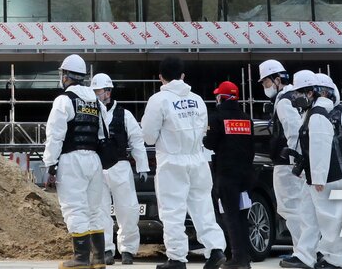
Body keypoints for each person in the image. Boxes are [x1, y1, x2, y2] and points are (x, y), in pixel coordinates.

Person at [141, 56, 226, 269]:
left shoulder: (158, 100)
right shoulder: (197, 100)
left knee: (172, 211)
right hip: (198, 159)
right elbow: (203, 130)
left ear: (160, 77)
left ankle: (177, 258)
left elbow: (148, 137)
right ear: (183, 76)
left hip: (172, 162)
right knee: (203, 207)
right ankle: (216, 249)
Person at [45, 54, 109, 269]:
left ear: (65, 76)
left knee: (74, 208)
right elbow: (103, 134)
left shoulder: (64, 100)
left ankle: (81, 258)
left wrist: (50, 165)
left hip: (71, 160)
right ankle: (98, 258)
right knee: (94, 209)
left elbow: (55, 136)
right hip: (94, 160)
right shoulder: (96, 102)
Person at [297, 72, 342, 269]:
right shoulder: (312, 113)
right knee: (313, 216)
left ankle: (337, 255)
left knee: (335, 216)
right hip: (321, 174)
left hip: (337, 173)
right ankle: (309, 254)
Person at [263, 62, 317, 269]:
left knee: (290, 208)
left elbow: (293, 131)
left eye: (266, 82)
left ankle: (303, 253)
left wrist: (296, 164)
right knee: (300, 208)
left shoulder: (284, 100)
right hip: (294, 162)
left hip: (287, 164)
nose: (265, 87)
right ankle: (305, 251)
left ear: (277, 79)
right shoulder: (295, 98)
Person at [90, 73, 149, 266]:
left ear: (108, 92)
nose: (96, 94)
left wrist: (142, 166)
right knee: (100, 211)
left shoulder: (124, 114)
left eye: (98, 91)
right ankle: (106, 249)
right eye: (94, 91)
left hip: (120, 166)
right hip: (97, 168)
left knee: (128, 209)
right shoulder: (90, 113)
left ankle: (128, 250)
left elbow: (137, 140)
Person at [207, 80, 255, 269]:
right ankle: (246, 256)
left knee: (230, 216)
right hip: (246, 174)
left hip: (226, 174)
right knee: (243, 216)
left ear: (222, 97)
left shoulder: (217, 117)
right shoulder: (246, 118)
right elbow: (251, 146)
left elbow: (210, 143)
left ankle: (237, 258)